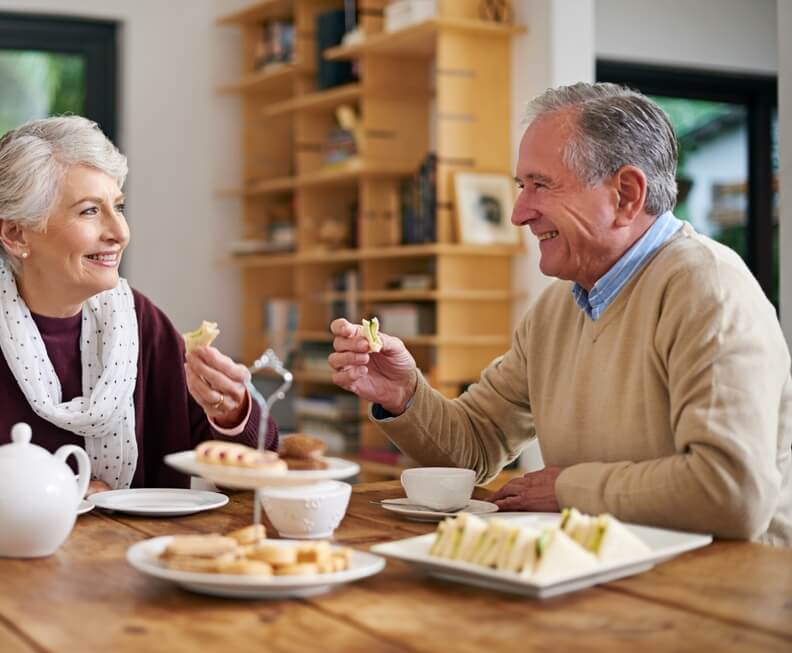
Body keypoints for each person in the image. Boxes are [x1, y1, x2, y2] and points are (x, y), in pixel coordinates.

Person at [329, 83, 791, 545]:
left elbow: (730, 491)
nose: (518, 213)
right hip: (609, 579)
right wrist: (405, 394)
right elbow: (474, 446)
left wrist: (568, 490)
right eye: (520, 186)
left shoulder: (708, 287)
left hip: (728, 594)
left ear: (626, 195)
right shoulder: (557, 307)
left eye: (540, 185)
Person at [0, 116, 277, 510]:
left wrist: (232, 412)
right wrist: (51, 485)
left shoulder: (140, 324)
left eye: (118, 206)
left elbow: (256, 475)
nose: (120, 232)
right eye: (90, 211)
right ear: (15, 233)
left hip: (127, 574)